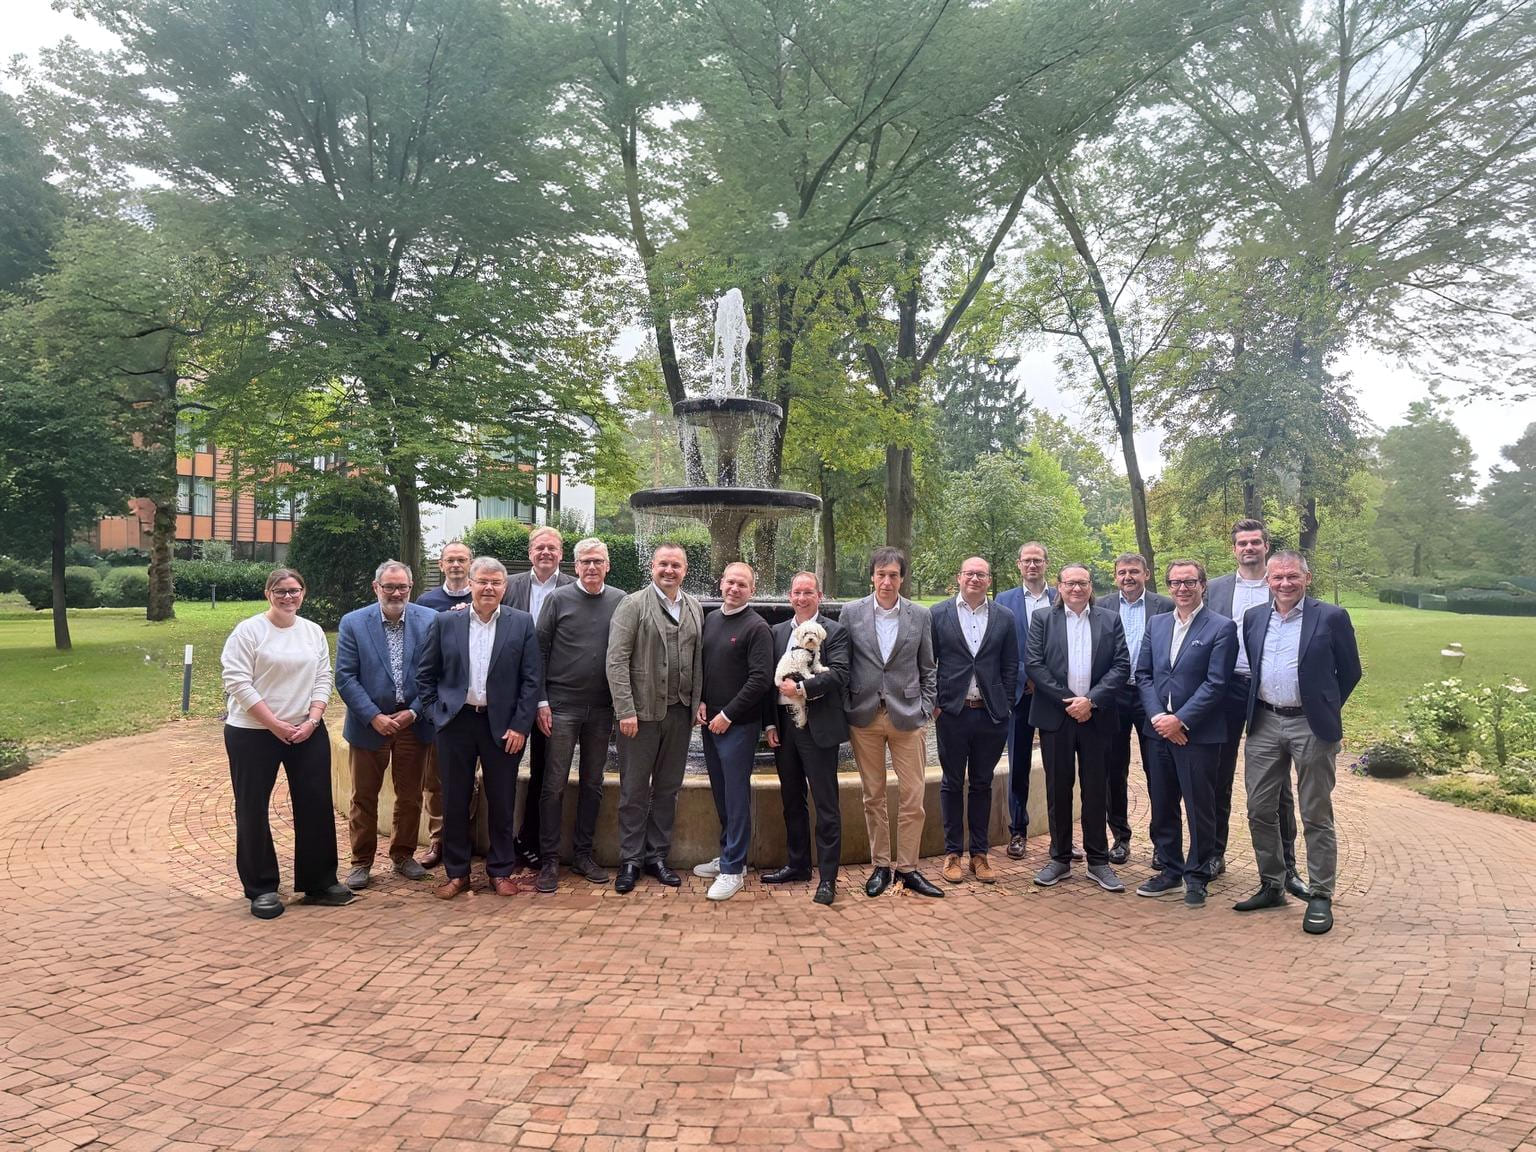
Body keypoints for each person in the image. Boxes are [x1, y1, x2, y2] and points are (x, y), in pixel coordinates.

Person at [1233, 552, 1362, 935]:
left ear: (1306, 578)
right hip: (1265, 722)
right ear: (1268, 580)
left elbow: (1350, 670)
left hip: (1311, 725)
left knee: (1315, 813)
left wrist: (1323, 706)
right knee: (1258, 808)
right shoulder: (1255, 618)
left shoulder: (1331, 617)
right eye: (1278, 577)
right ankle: (1273, 883)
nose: (1285, 584)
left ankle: (1321, 894)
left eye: (1292, 576)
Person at [220, 568, 353, 919]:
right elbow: (237, 681)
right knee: (252, 808)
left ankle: (319, 881)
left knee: (316, 804)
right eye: (280, 591)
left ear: (303, 593)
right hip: (252, 731)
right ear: (268, 593)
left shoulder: (311, 632)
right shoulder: (248, 632)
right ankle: (261, 887)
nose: (288, 596)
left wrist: (313, 718)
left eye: (294, 590)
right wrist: (274, 723)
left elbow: (323, 676)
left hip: (306, 730)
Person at [416, 556, 541, 899]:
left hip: (502, 727)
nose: (489, 588)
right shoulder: (445, 623)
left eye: (496, 582)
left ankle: (500, 871)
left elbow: (531, 681)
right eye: (482, 581)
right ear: (469, 584)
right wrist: (435, 714)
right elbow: (425, 675)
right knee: (454, 801)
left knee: (502, 801)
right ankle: (457, 874)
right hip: (456, 722)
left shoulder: (521, 623)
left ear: (505, 587)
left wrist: (520, 726)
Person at [1134, 560, 1237, 908]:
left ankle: (1198, 875)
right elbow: (1144, 674)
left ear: (1202, 585)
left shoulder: (1221, 627)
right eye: (1175, 582)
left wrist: (1181, 720)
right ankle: (1170, 869)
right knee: (1162, 804)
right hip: (1157, 731)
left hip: (1199, 734)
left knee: (1199, 807)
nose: (1181, 588)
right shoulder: (1157, 624)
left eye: (1189, 582)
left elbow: (1216, 683)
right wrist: (1160, 717)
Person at [1206, 519, 1302, 892]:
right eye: (1242, 543)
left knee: (1277, 786)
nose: (1249, 548)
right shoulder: (1214, 589)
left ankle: (1287, 864)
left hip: (1267, 692)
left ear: (1266, 546)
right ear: (1234, 549)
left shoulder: (1282, 585)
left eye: (1255, 542)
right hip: (1225, 689)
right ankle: (1215, 852)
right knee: (1217, 776)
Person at [843, 547, 942, 899]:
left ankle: (909, 868)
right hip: (864, 717)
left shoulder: (919, 615)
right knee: (873, 796)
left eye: (894, 575)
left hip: (907, 715)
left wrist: (925, 708)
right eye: (881, 574)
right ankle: (881, 865)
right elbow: (843, 664)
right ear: (872, 576)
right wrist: (847, 706)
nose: (887, 581)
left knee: (913, 797)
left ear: (902, 578)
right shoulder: (851, 613)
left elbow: (929, 666)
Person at [605, 542, 704, 894]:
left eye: (676, 565)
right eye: (663, 564)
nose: (669, 571)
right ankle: (630, 859)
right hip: (640, 716)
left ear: (685, 570)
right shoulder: (632, 605)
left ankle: (656, 856)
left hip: (679, 714)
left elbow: (697, 662)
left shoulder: (694, 607)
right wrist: (625, 710)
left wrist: (696, 703)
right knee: (633, 790)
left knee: (667, 789)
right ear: (652, 567)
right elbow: (616, 661)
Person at [1027, 563, 1131, 892]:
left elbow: (1121, 664)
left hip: (1096, 718)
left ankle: (1098, 861)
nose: (1076, 588)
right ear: (1059, 587)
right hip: (1057, 717)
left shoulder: (1110, 619)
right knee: (1058, 788)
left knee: (1096, 788)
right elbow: (1034, 664)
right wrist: (1071, 701)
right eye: (1070, 583)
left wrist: (1092, 701)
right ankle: (1059, 857)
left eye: (1083, 583)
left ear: (1091, 587)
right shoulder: (1043, 619)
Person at [335, 560, 436, 891]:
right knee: (363, 796)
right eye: (389, 586)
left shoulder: (429, 620)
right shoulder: (354, 623)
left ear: (411, 587)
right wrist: (373, 716)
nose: (396, 593)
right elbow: (345, 677)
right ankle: (361, 861)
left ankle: (403, 855)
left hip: (412, 723)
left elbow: (437, 675)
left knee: (410, 796)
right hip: (369, 725)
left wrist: (415, 712)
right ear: (376, 587)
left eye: (403, 587)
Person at [532, 538, 625, 893]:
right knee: (553, 784)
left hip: (602, 709)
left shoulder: (620, 601)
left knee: (592, 783)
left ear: (607, 565)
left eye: (597, 561)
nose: (591, 567)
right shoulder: (558, 600)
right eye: (585, 561)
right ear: (574, 565)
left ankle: (584, 854)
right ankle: (549, 860)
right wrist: (541, 701)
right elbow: (539, 652)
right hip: (562, 707)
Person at [762, 572, 849, 906]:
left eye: (808, 592)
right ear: (789, 596)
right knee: (791, 799)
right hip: (784, 728)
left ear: (819, 595)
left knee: (826, 804)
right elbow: (770, 682)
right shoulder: (777, 632)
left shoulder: (835, 631)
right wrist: (769, 724)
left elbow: (840, 674)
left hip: (817, 727)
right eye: (796, 592)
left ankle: (827, 878)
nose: (802, 598)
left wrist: (802, 688)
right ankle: (797, 864)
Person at [929, 557, 1016, 885]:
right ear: (959, 577)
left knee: (982, 783)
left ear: (988, 580)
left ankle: (979, 854)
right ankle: (953, 853)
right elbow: (928, 663)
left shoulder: (1004, 617)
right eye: (970, 573)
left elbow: (1010, 664)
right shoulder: (938, 614)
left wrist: (1005, 704)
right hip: (952, 713)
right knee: (951, 783)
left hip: (990, 715)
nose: (975, 579)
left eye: (981, 574)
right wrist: (936, 704)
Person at [691, 562, 773, 901]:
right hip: (711, 724)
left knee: (737, 797)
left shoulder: (757, 628)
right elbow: (706, 668)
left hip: (738, 726)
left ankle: (734, 869)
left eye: (742, 584)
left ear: (751, 590)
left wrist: (727, 713)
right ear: (721, 584)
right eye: (730, 582)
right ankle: (727, 853)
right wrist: (703, 701)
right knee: (722, 794)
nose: (734, 588)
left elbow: (760, 680)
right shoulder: (711, 620)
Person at [501, 526, 576, 867]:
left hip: (553, 695)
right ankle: (502, 844)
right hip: (509, 694)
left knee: (546, 772)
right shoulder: (509, 585)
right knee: (503, 768)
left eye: (553, 548)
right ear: (530, 552)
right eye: (539, 547)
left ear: (562, 554)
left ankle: (530, 840)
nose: (546, 553)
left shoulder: (573, 588)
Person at [1099, 553, 1173, 864]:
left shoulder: (1164, 606)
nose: (1128, 577)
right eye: (1122, 572)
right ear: (1115, 576)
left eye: (1134, 571)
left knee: (1158, 769)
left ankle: (1162, 842)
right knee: (1113, 770)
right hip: (1113, 697)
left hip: (1151, 697)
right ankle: (1120, 837)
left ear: (1147, 573)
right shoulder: (1101, 606)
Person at [994, 541, 1059, 859]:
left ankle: (1061, 837)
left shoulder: (1060, 597)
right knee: (1018, 764)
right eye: (1027, 561)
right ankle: (1017, 832)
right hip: (1020, 695)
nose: (1032, 565)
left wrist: (1047, 680)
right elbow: (1000, 649)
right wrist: (1026, 676)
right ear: (1018, 565)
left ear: (1046, 564)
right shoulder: (1004, 601)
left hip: (1055, 696)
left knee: (1058, 767)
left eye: (1038, 560)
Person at [413, 539, 474, 868]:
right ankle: (439, 840)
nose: (455, 565)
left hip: (477, 707)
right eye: (450, 560)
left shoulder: (480, 595)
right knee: (436, 779)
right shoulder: (427, 602)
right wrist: (431, 707)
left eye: (461, 560)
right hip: (444, 708)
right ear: (440, 564)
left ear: (470, 564)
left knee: (472, 780)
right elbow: (422, 657)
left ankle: (465, 836)